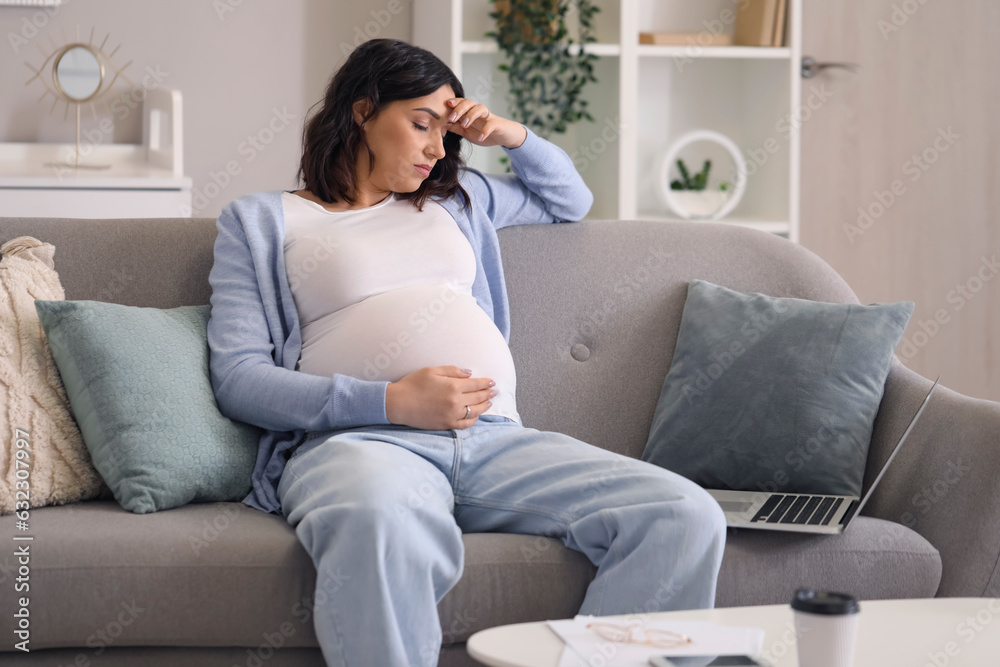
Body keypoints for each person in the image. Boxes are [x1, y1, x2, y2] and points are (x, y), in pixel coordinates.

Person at [207, 38, 726, 667]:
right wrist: (391, 401)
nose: (435, 148)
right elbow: (239, 378)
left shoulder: (458, 199)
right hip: (362, 446)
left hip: (498, 440)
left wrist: (512, 135)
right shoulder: (263, 221)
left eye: (445, 134)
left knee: (683, 514)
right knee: (375, 520)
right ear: (363, 111)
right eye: (421, 124)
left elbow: (570, 202)